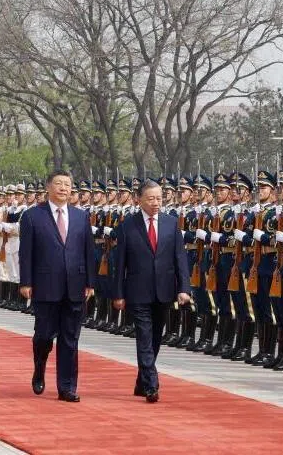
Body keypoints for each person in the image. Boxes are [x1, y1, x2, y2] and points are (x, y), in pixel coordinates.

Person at [19, 169, 96, 403]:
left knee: (70, 339)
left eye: (67, 184)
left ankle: (67, 387)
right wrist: (26, 282)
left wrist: (90, 282)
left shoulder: (81, 216)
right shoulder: (33, 216)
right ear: (48, 187)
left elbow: (88, 251)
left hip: (75, 286)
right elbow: (26, 253)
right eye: (59, 184)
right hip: (45, 285)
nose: (64, 188)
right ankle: (40, 365)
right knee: (44, 335)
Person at [113, 179, 191, 403]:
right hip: (137, 290)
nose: (156, 202)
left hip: (164, 290)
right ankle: (152, 383)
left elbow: (180, 259)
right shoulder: (128, 225)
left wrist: (184, 288)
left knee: (156, 336)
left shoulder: (170, 223)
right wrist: (118, 293)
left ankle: (142, 380)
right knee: (144, 337)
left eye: (159, 198)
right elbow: (120, 264)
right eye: (151, 198)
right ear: (139, 199)